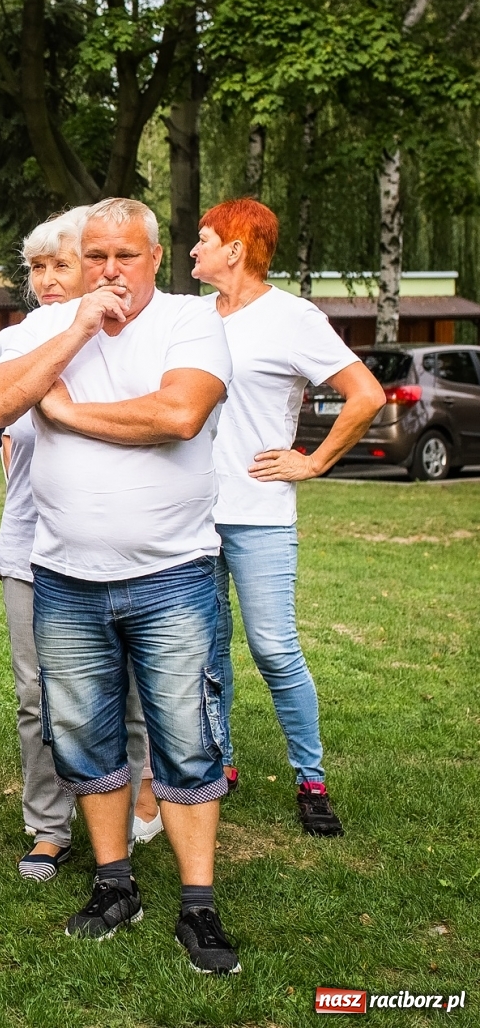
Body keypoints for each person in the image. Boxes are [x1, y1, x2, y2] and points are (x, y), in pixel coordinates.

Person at [0, 196, 240, 974]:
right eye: (97, 256)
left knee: (188, 740)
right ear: (77, 258)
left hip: (174, 573)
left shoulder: (192, 322)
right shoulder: (35, 333)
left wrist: (67, 412)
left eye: (127, 256)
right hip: (64, 578)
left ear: (155, 259)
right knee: (84, 739)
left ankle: (199, 903)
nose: (111, 271)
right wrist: (79, 328)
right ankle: (113, 883)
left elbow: (180, 413)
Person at [0, 207, 161, 882]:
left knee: (129, 692)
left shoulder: (141, 336)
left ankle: (132, 802)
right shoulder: (17, 342)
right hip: (33, 540)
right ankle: (49, 826)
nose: (47, 280)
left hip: (129, 539)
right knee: (39, 695)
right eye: (36, 268)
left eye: (62, 265)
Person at [190, 197, 384, 836]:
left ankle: (310, 778)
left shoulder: (292, 318)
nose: (194, 251)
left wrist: (315, 461)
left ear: (236, 249)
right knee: (206, 653)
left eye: (203, 240)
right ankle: (220, 763)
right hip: (192, 515)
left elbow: (366, 394)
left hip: (260, 513)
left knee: (274, 648)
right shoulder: (194, 317)